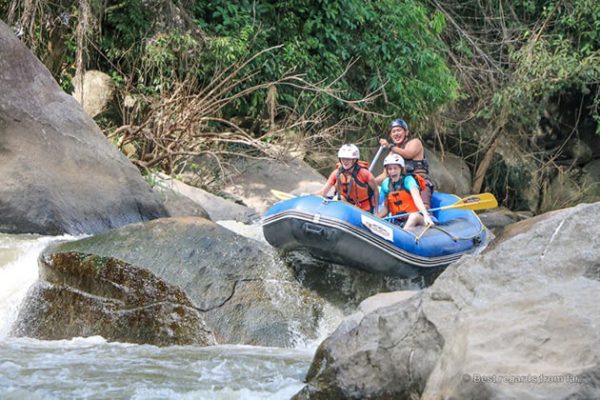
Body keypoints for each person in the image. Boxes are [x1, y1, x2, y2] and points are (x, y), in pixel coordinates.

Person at [377, 118, 434, 208]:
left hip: (420, 182)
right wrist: (370, 181)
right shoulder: (392, 153)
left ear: (406, 132)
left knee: (424, 206)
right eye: (393, 131)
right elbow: (385, 175)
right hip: (402, 185)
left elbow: (408, 154)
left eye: (399, 130)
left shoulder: (415, 142)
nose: (396, 133)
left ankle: (427, 216)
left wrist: (389, 146)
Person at [376, 153, 434, 229]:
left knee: (414, 216)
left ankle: (403, 234)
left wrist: (426, 215)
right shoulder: (386, 183)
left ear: (401, 169)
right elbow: (386, 209)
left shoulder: (408, 180)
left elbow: (417, 199)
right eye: (390, 169)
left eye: (395, 168)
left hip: (417, 219)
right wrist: (373, 218)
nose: (392, 171)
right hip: (398, 221)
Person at [316, 144, 379, 213]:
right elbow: (323, 192)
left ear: (354, 160)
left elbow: (376, 191)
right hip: (348, 206)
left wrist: (376, 211)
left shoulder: (365, 173)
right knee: (337, 198)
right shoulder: (336, 173)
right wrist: (309, 196)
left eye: (348, 159)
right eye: (343, 158)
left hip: (364, 208)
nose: (345, 161)